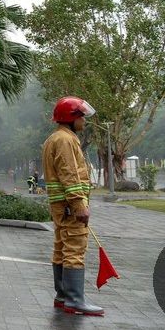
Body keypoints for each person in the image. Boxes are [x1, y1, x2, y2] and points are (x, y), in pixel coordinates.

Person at [43, 96, 102, 316]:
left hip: (60, 206)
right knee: (75, 248)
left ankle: (63, 296)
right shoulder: (66, 140)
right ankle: (75, 300)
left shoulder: (54, 138)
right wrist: (79, 205)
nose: (84, 121)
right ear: (71, 118)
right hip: (70, 207)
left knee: (61, 248)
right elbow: (69, 174)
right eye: (81, 117)